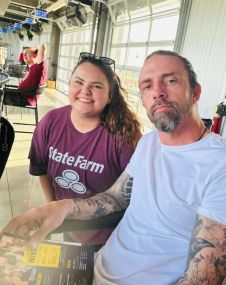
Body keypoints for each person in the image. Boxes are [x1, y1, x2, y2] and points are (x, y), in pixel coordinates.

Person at [1, 50, 226, 285]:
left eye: (170, 81)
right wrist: (64, 206)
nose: (158, 92)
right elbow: (116, 198)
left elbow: (200, 280)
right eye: (147, 86)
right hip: (94, 268)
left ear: (196, 92)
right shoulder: (149, 144)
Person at [28, 53, 141, 246]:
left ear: (110, 95)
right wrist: (55, 207)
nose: (85, 91)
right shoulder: (50, 122)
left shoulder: (124, 137)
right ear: (69, 84)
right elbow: (41, 169)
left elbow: (134, 197)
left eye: (96, 86)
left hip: (112, 236)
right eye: (78, 82)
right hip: (68, 227)